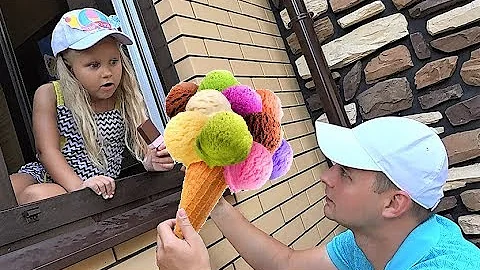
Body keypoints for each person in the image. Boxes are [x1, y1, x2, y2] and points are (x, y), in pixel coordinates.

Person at [156, 116, 480, 270]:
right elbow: (285, 264)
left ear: (394, 203)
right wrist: (213, 200)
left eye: (346, 173)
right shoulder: (368, 243)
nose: (326, 177)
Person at [10, 8, 174, 204]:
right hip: (53, 173)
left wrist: (154, 158)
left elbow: (153, 139)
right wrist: (79, 186)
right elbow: (46, 151)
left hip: (97, 182)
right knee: (8, 187)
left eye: (114, 61)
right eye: (94, 65)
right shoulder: (51, 94)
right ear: (70, 69)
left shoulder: (127, 97)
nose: (107, 72)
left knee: (36, 196)